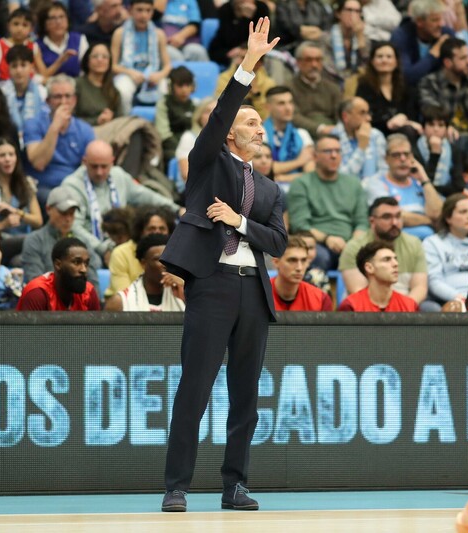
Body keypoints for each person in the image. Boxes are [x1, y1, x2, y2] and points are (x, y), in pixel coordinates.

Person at [159, 18, 286, 513]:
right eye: (251, 123)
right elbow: (220, 115)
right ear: (230, 134)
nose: (260, 129)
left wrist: (240, 221)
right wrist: (249, 64)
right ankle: (177, 486)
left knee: (245, 396)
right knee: (195, 388)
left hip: (253, 290)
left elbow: (278, 241)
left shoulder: (271, 189)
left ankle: (235, 485)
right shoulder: (208, 162)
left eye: (261, 125)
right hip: (212, 283)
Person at [61, 139, 180, 256]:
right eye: (94, 166)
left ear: (112, 162)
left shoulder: (118, 175)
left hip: (122, 241)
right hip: (91, 248)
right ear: (84, 161)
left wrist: (177, 209)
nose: (99, 172)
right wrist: (102, 249)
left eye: (104, 166)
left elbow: (146, 196)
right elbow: (74, 226)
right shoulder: (72, 186)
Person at [287, 134, 369, 271]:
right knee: (319, 256)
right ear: (315, 156)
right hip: (317, 243)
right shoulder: (301, 184)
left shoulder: (354, 184)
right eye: (328, 151)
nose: (334, 155)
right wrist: (327, 239)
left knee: (375, 256)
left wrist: (352, 245)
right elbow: (300, 225)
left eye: (337, 151)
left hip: (349, 243)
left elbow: (362, 223)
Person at [339, 196, 427, 304]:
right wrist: (387, 311)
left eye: (398, 216)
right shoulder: (354, 247)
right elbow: (357, 290)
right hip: (365, 308)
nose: (395, 222)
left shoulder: (414, 244)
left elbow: (420, 288)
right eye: (387, 217)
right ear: (372, 221)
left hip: (405, 306)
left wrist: (403, 309)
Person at [24, 74, 96, 207]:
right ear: (48, 101)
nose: (63, 102)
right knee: (57, 202)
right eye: (57, 97)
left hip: (73, 186)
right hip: (43, 186)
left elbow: (89, 168)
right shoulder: (33, 124)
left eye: (68, 96)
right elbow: (39, 163)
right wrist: (55, 127)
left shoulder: (85, 129)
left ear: (74, 100)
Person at [362, 132, 443, 239]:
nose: (403, 159)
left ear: (412, 157)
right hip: (395, 241)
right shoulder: (376, 183)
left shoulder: (419, 183)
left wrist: (424, 179)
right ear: (386, 159)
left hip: (429, 242)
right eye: (396, 155)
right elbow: (392, 216)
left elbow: (437, 213)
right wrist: (430, 221)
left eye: (407, 154)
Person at [20, 186, 101, 288]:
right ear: (48, 209)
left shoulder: (83, 242)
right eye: (63, 213)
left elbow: (92, 282)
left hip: (80, 297)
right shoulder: (34, 240)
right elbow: (36, 283)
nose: (68, 219)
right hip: (46, 296)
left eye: (72, 213)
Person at [423, 192, 468, 306]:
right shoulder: (432, 243)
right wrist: (463, 299)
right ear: (448, 218)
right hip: (449, 302)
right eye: (463, 212)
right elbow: (434, 281)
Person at [418, 37, 468, 143]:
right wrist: (446, 127)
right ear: (448, 63)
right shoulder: (430, 83)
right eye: (463, 58)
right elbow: (432, 112)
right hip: (445, 138)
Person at [110, 0, 172, 115]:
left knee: (165, 88)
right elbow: (112, 66)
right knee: (123, 90)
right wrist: (130, 72)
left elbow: (168, 66)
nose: (144, 15)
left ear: (152, 12)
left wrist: (159, 75)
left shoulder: (159, 34)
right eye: (139, 10)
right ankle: (125, 121)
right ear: (130, 10)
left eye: (148, 11)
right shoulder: (119, 33)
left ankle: (161, 123)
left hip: (153, 74)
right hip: (128, 73)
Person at [354, 42, 421, 140]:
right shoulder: (364, 87)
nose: (384, 60)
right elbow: (363, 115)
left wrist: (405, 120)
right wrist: (390, 123)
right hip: (374, 134)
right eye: (379, 57)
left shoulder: (406, 86)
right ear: (372, 61)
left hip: (403, 132)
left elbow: (412, 114)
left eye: (389, 57)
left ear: (396, 62)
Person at [104, 233, 185, 311]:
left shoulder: (182, 296)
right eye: (158, 259)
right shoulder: (120, 302)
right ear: (143, 263)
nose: (165, 265)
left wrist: (184, 291)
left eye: (168, 259)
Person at [17, 236, 101, 310]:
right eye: (76, 262)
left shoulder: (88, 292)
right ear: (58, 264)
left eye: (86, 263)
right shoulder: (37, 293)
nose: (84, 269)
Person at [338, 239, 418, 311]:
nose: (396, 264)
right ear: (369, 268)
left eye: (395, 259)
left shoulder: (410, 305)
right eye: (387, 259)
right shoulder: (351, 305)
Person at [390, 0, 455, 85]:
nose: (441, 24)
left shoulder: (446, 34)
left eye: (441, 19)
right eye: (435, 20)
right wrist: (432, 55)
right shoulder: (401, 37)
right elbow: (407, 77)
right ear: (419, 21)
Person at [287, 42, 342, 138]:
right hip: (302, 136)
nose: (314, 65)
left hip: (333, 135)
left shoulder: (333, 88)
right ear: (298, 62)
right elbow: (292, 116)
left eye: (318, 60)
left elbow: (340, 115)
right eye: (309, 60)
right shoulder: (288, 88)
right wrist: (319, 128)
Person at [263, 86, 316, 184]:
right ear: (268, 107)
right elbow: (263, 168)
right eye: (281, 103)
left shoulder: (302, 134)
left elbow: (310, 174)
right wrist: (299, 161)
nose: (288, 108)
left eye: (290, 102)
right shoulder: (260, 134)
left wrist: (282, 178)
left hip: (299, 187)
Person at [330, 97, 388, 181]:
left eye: (368, 113)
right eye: (362, 113)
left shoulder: (376, 135)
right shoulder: (333, 139)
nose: (369, 118)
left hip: (374, 187)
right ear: (345, 116)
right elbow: (341, 178)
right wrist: (361, 148)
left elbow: (384, 171)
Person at [270, 235, 333, 311]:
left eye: (303, 260)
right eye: (292, 260)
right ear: (276, 262)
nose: (299, 268)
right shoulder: (259, 295)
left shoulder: (321, 299)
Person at [0, 44, 48, 139]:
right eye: (14, 66)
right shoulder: (1, 93)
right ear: (8, 68)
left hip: (37, 139)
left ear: (31, 67)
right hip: (7, 139)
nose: (19, 70)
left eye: (23, 65)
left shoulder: (42, 92)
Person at [415, 105, 464, 197]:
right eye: (431, 124)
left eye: (441, 125)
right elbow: (420, 184)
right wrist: (434, 155)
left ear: (446, 129)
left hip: (447, 197)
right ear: (423, 128)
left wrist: (437, 189)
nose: (436, 129)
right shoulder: (415, 149)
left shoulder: (454, 150)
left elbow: (459, 186)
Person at [34, 1, 89, 80]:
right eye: (53, 18)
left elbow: (87, 70)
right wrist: (61, 60)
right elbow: (40, 76)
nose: (58, 22)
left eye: (62, 17)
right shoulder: (36, 45)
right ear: (44, 23)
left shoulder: (79, 39)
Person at [207, 0, 269, 67]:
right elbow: (228, 39)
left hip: (251, 49)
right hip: (227, 50)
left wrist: (242, 50)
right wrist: (244, 19)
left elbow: (263, 39)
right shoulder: (225, 9)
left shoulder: (261, 8)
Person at [75, 43, 124, 126]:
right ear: (87, 60)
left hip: (109, 130)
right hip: (84, 130)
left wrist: (111, 119)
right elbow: (70, 119)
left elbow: (120, 120)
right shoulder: (76, 85)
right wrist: (96, 121)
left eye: (104, 57)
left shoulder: (114, 91)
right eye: (95, 56)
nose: (100, 60)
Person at [322, 0, 370, 86]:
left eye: (357, 11)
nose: (353, 15)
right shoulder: (325, 38)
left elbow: (367, 66)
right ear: (338, 14)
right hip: (331, 82)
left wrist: (360, 38)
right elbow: (327, 66)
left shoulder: (364, 39)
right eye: (349, 10)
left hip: (356, 83)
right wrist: (348, 80)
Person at [156, 66, 196, 162]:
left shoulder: (195, 105)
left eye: (187, 85)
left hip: (193, 146)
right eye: (180, 85)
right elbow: (163, 134)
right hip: (171, 147)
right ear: (171, 86)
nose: (184, 89)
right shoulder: (163, 103)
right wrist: (182, 149)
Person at [175, 97, 217, 184]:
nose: (212, 114)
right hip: (194, 187)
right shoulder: (188, 137)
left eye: (216, 110)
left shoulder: (229, 138)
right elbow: (186, 174)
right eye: (207, 111)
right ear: (199, 116)